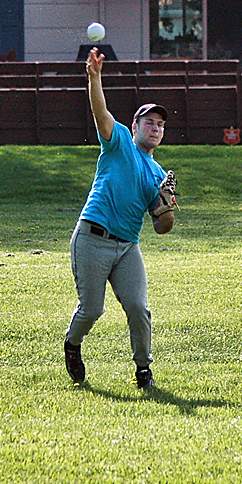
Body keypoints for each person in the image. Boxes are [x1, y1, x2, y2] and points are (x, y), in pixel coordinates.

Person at [64, 47, 176, 390]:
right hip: (92, 237)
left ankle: (144, 371)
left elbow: (162, 227)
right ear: (135, 126)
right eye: (149, 122)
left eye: (160, 124)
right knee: (92, 310)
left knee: (139, 309)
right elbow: (101, 114)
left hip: (127, 247)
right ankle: (72, 344)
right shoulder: (120, 143)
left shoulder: (158, 173)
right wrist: (94, 78)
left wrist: (167, 206)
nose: (155, 128)